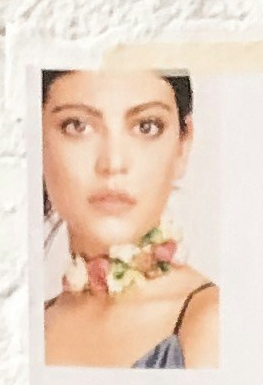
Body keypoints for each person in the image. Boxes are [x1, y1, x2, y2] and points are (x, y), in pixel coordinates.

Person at [39, 68, 219, 369]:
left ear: (183, 145)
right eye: (77, 125)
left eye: (146, 126)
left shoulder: (209, 322)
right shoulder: (22, 326)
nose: (113, 163)